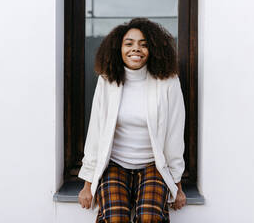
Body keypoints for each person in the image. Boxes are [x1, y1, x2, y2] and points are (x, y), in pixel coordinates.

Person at [78, 18, 186, 222]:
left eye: (143, 44)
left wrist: (177, 185)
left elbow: (174, 134)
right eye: (129, 43)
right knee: (116, 218)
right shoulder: (107, 80)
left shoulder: (168, 82)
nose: (136, 49)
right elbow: (96, 131)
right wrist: (87, 183)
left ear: (152, 49)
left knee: (149, 217)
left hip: (153, 165)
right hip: (115, 164)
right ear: (118, 48)